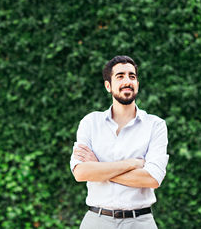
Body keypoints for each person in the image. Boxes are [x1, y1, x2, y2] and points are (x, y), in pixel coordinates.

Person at [70, 55, 169, 229]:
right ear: (108, 86)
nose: (127, 81)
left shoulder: (156, 125)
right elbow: (81, 172)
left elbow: (152, 178)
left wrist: (98, 167)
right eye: (120, 76)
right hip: (96, 220)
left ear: (137, 84)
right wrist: (131, 164)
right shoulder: (90, 122)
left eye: (132, 76)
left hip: (140, 221)